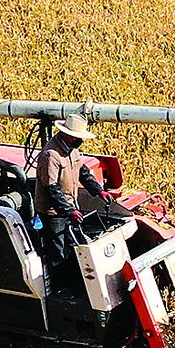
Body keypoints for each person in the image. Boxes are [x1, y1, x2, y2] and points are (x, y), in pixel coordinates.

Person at [35, 116, 108, 296]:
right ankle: (60, 290)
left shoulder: (72, 150)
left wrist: (99, 191)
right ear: (68, 135)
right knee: (57, 251)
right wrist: (69, 211)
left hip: (69, 207)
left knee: (70, 247)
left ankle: (72, 282)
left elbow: (83, 172)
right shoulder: (51, 155)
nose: (80, 141)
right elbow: (51, 188)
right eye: (78, 137)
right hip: (53, 213)